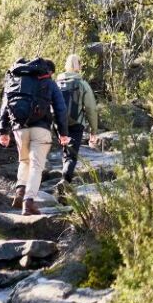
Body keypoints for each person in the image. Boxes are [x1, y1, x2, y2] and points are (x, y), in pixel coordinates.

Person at [0, 56, 69, 215]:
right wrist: (63, 133)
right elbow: (60, 109)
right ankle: (28, 202)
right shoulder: (48, 82)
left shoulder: (14, 81)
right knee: (36, 165)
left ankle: (20, 191)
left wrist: (3, 131)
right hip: (41, 128)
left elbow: (4, 107)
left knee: (24, 161)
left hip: (19, 129)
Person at [56, 54, 99, 202]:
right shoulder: (82, 84)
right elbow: (91, 109)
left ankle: (64, 183)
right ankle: (65, 181)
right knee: (72, 154)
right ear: (78, 66)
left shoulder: (57, 82)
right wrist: (94, 131)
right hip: (76, 124)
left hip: (60, 124)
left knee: (65, 151)